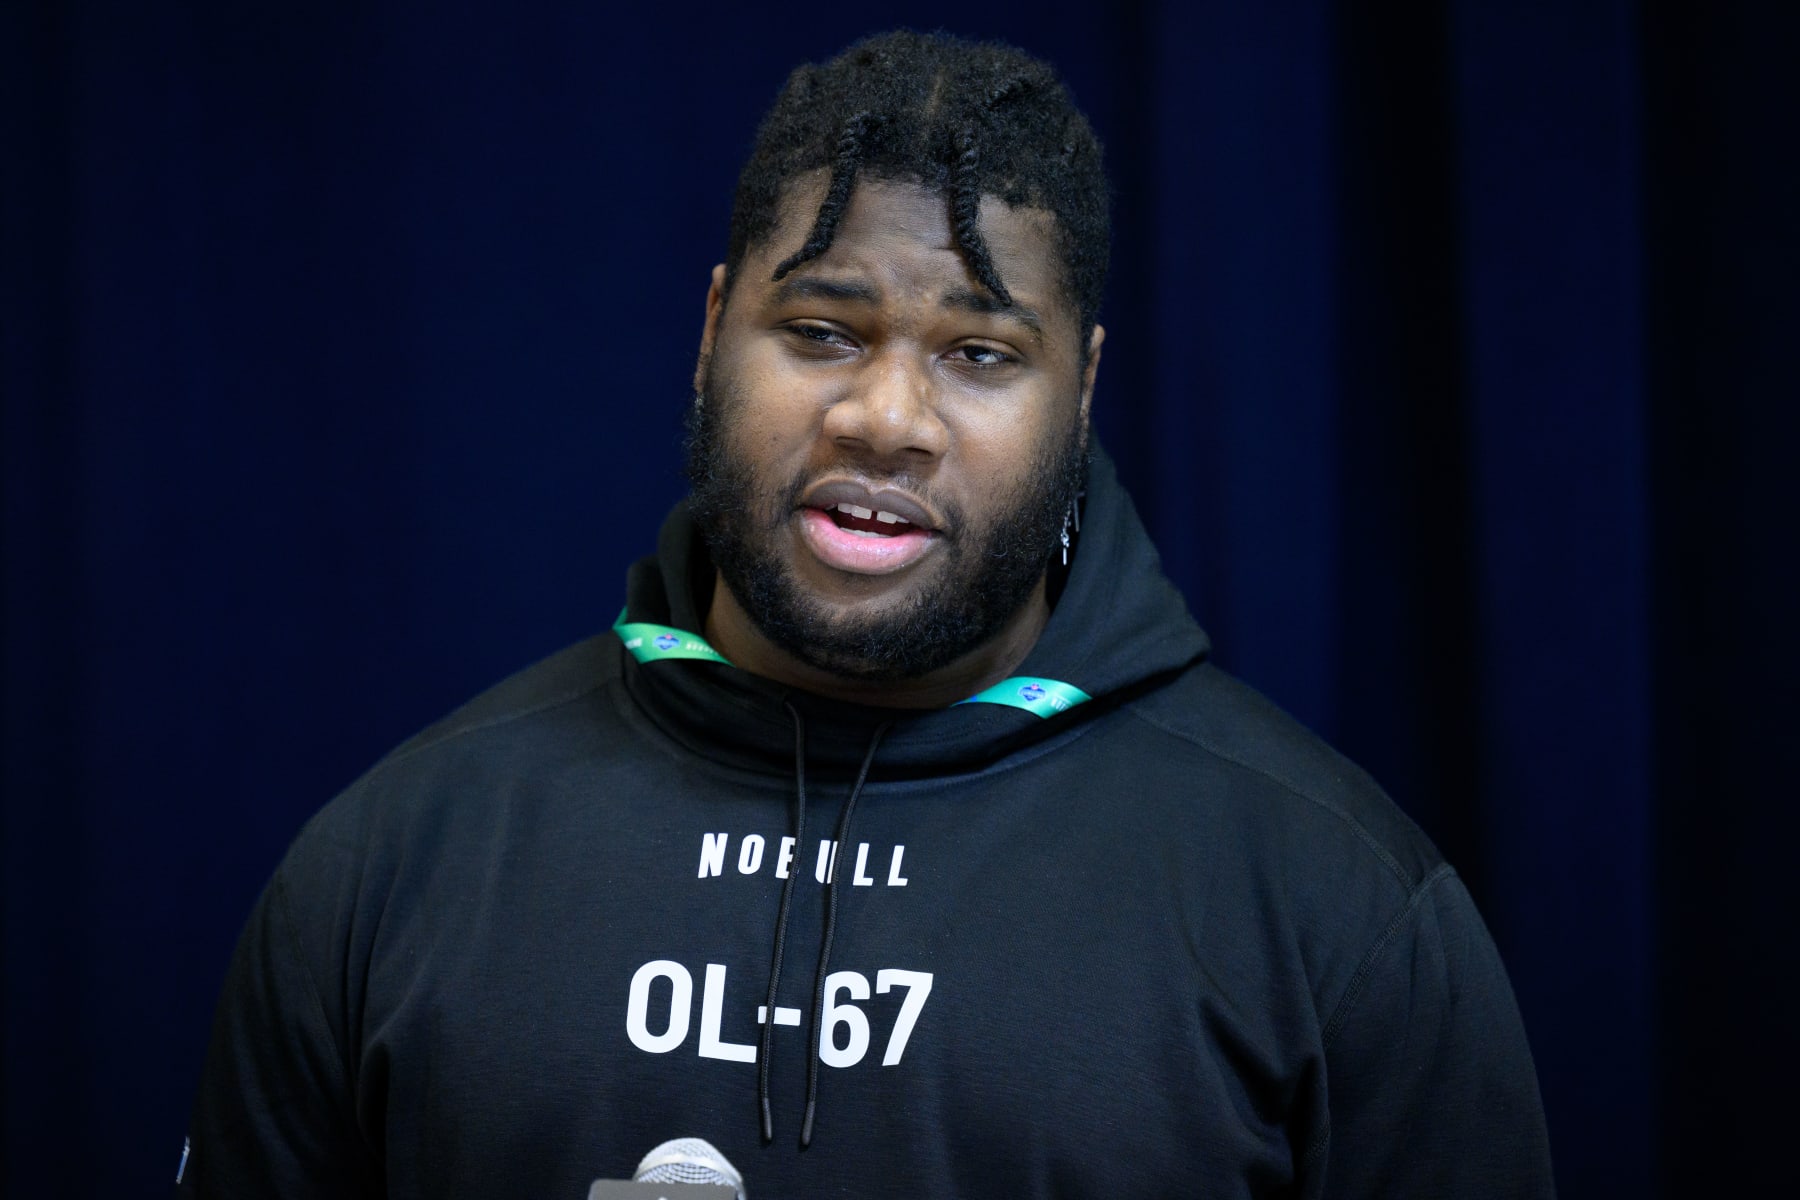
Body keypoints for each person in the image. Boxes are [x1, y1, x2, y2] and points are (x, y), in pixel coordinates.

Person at [179, 30, 1554, 1199]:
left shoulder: (1343, 917)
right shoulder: (388, 868)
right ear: (716, 329)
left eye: (977, 353)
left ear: (1080, 392)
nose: (885, 418)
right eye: (824, 330)